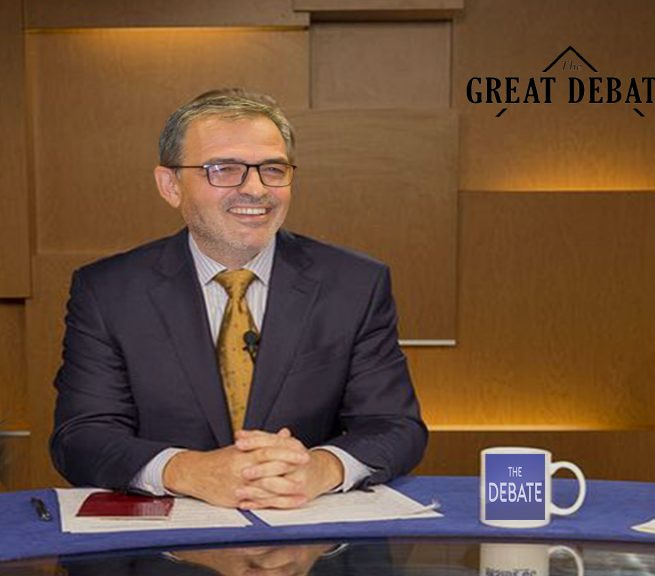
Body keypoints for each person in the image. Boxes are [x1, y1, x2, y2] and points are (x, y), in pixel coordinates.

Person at [50, 89, 427, 509]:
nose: (255, 189)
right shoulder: (108, 292)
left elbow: (394, 426)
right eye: (224, 169)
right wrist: (189, 470)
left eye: (273, 169)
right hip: (168, 538)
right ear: (170, 185)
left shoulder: (355, 285)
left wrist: (321, 468)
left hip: (306, 531)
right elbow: (81, 437)